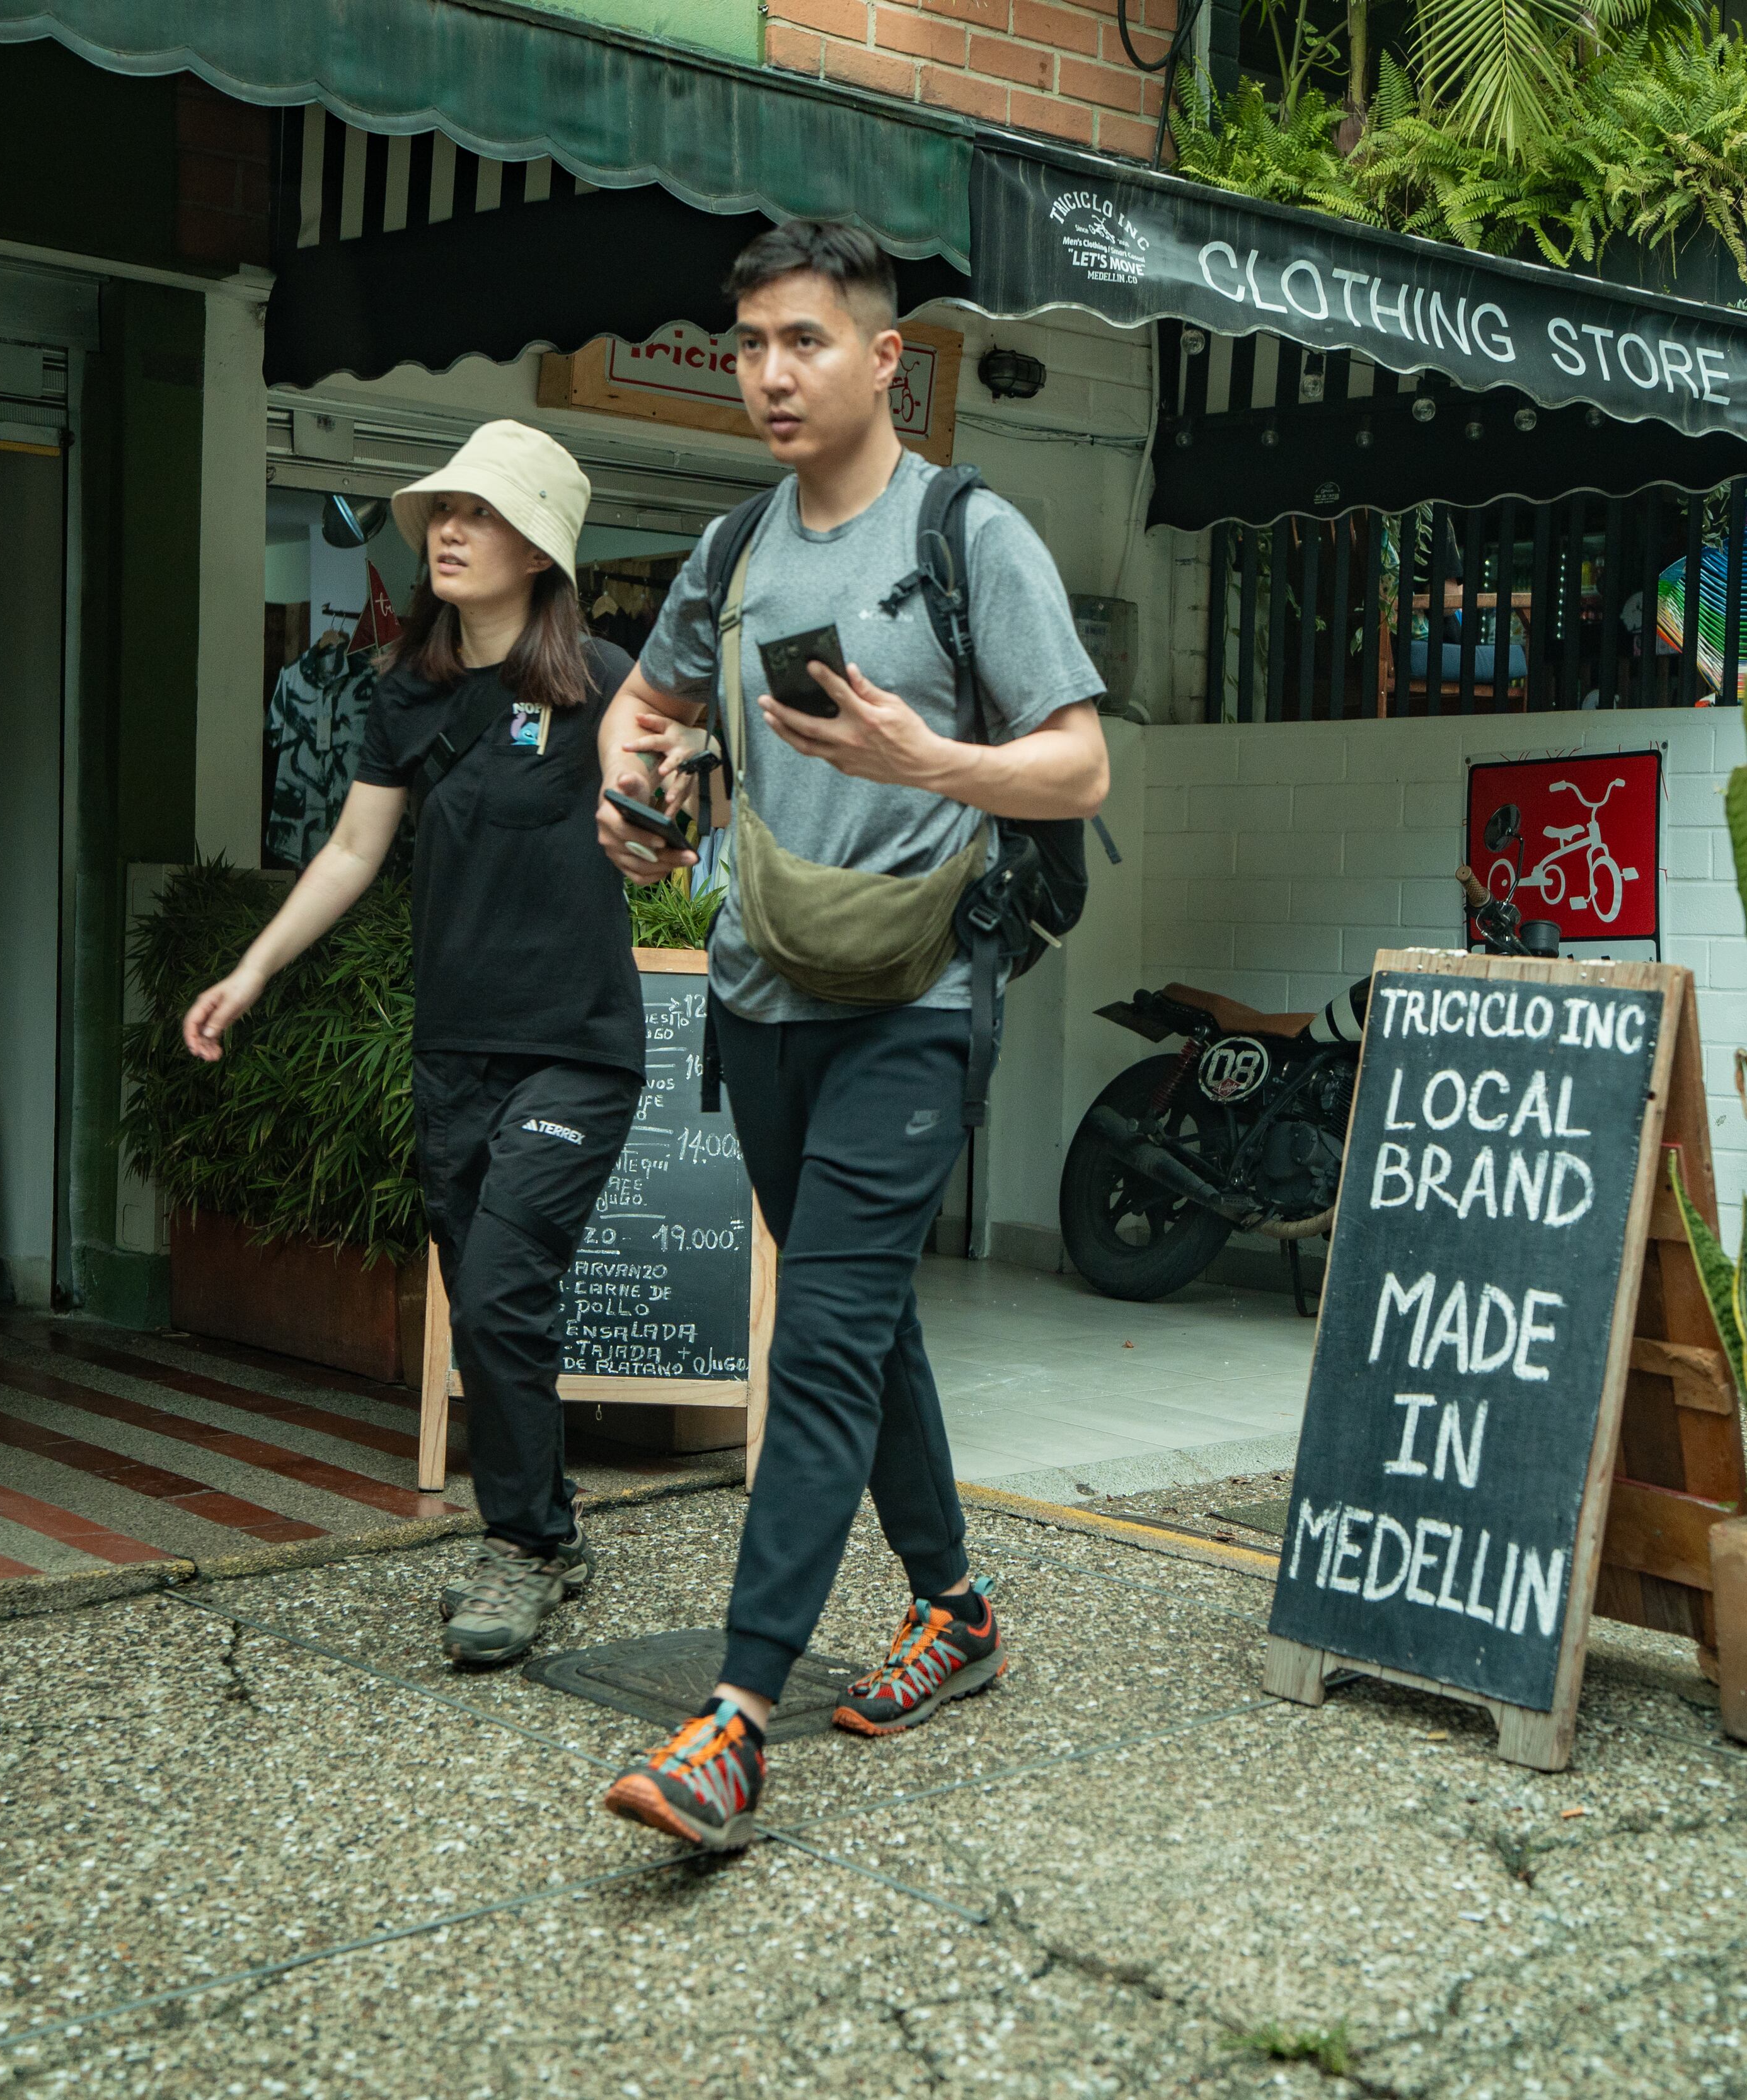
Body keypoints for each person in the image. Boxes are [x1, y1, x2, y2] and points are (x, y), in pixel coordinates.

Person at [590, 222, 1110, 1850]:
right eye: (749, 343)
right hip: (763, 996)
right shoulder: (734, 547)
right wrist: (633, 798)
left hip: (917, 1002)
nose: (769, 373)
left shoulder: (967, 534)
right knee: (863, 1322)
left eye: (803, 341)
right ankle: (954, 1605)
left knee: (816, 1338)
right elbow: (645, 707)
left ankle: (736, 1719)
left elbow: (1079, 764)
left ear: (886, 361)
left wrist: (925, 761)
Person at [182, 422, 645, 1667]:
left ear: (537, 548)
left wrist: (662, 811)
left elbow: (658, 806)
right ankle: (551, 1526)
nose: (449, 528)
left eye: (480, 512)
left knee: (499, 1286)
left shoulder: (604, 678)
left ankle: (521, 1544)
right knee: (491, 1302)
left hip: (578, 1047)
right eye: (443, 508)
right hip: (454, 1049)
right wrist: (252, 969)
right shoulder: (409, 691)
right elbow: (352, 848)